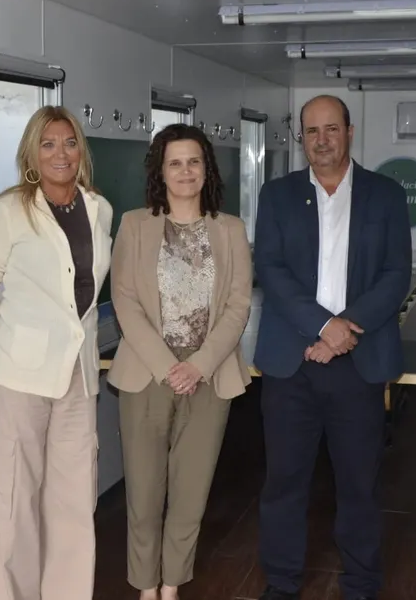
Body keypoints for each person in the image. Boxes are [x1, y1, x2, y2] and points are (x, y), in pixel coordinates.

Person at [252, 95, 412, 600]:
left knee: (359, 486)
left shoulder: (385, 195)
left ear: (350, 130)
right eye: (311, 131)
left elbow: (395, 275)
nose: (321, 139)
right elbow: (271, 272)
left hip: (358, 363)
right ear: (301, 137)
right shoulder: (276, 196)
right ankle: (281, 584)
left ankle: (361, 583)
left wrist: (347, 328)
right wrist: (324, 327)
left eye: (331, 129)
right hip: (290, 364)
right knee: (284, 485)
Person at [0, 105, 113, 600]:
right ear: (32, 152)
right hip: (19, 380)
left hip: (78, 376)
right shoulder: (11, 209)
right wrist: (0, 337)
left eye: (69, 142)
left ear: (81, 151)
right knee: (13, 503)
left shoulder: (99, 209)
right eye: (48, 144)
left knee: (73, 501)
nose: (60, 153)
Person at [108, 123, 253, 600]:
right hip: (148, 374)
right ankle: (145, 587)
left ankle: (170, 586)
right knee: (144, 496)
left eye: (194, 161)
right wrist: (166, 364)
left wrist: (199, 365)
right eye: (175, 162)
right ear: (160, 170)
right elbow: (124, 299)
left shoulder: (230, 229)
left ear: (207, 168)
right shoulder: (134, 224)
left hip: (209, 378)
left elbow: (237, 305)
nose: (186, 171)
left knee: (190, 494)